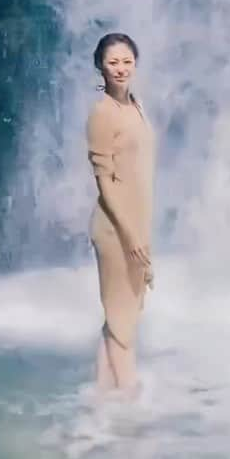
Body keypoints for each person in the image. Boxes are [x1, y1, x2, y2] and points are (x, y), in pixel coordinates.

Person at [86, 32, 155, 392]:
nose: (121, 68)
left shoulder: (135, 106)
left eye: (127, 61)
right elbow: (105, 183)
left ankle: (101, 397)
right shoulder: (103, 113)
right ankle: (130, 406)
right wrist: (129, 236)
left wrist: (141, 233)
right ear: (100, 66)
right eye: (113, 62)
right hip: (115, 229)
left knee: (123, 315)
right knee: (122, 321)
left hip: (136, 225)